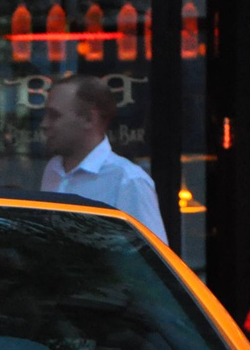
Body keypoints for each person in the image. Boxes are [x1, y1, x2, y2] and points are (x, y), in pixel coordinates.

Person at [37, 76, 167, 243]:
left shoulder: (128, 181)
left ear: (89, 119)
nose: (44, 123)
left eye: (54, 115)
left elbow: (152, 259)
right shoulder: (54, 169)